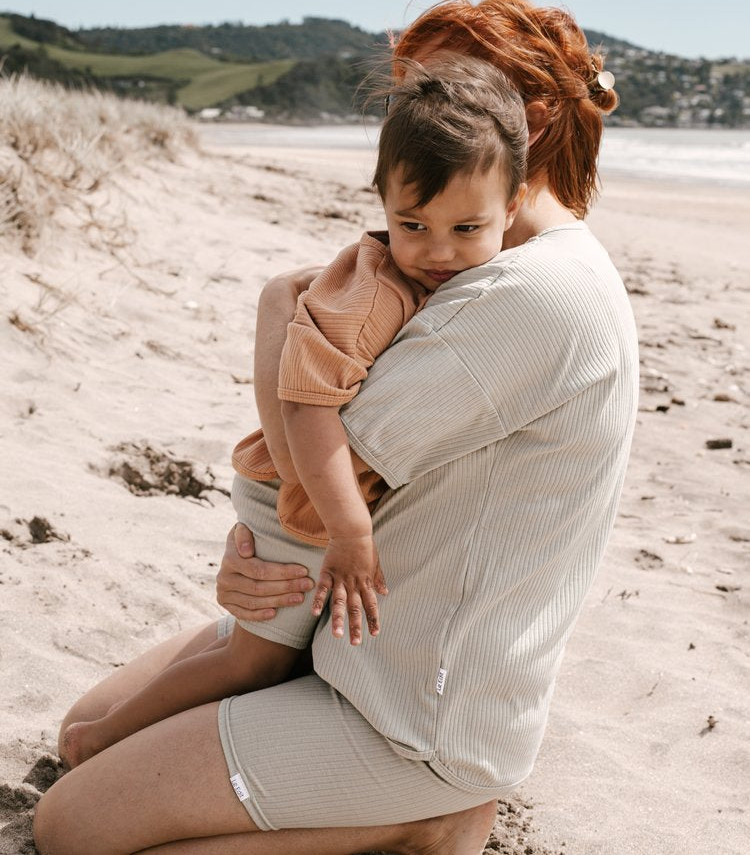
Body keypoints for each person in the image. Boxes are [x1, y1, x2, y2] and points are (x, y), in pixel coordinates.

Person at [34, 0, 639, 855]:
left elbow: (307, 479)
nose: (421, 120)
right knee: (83, 730)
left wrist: (276, 307)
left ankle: (427, 819)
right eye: (410, 100)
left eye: (442, 94)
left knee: (71, 828)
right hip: (349, 636)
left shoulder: (531, 295)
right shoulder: (476, 262)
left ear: (529, 125)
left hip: (411, 710)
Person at [59, 54, 529, 769]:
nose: (438, 251)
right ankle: (103, 738)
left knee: (265, 652)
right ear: (381, 203)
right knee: (254, 659)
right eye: (412, 224)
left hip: (312, 487)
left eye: (467, 229)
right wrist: (347, 528)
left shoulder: (450, 276)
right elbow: (307, 405)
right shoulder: (370, 296)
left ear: (513, 210)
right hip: (295, 488)